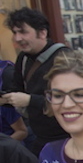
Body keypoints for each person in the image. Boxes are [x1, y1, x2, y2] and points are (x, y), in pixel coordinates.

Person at [1, 8, 70, 154]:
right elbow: (17, 89)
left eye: (23, 32)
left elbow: (71, 100)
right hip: (41, 137)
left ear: (42, 33)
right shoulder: (23, 58)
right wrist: (5, 98)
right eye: (14, 32)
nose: (17, 38)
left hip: (67, 136)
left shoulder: (64, 58)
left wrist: (30, 100)